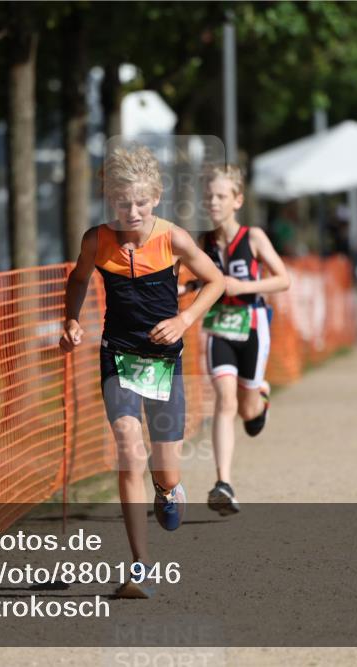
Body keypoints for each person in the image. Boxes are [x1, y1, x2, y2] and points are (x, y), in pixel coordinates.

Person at [59, 145, 224, 599]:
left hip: (163, 360)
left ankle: (168, 489)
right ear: (110, 199)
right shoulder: (96, 240)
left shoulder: (173, 239)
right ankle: (140, 567)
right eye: (121, 202)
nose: (131, 212)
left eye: (140, 203)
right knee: (129, 450)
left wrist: (184, 320)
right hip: (118, 355)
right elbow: (78, 279)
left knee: (165, 471)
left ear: (156, 197)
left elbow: (216, 281)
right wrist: (70, 320)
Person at [190, 164, 290, 516]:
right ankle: (223, 483)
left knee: (248, 412)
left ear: (237, 200)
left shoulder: (253, 237)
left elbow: (283, 279)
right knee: (224, 400)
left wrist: (243, 286)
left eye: (221, 196)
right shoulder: (202, 242)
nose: (214, 202)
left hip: (252, 326)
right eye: (209, 196)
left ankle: (260, 396)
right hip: (219, 326)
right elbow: (192, 279)